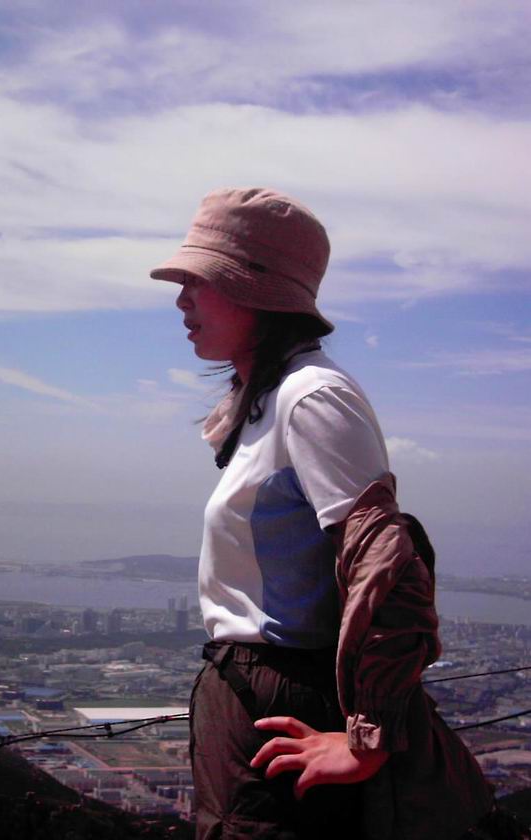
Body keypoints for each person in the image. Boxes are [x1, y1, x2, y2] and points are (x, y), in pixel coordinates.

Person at [150, 187, 493, 840]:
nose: (181, 300)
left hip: (281, 698)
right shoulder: (269, 400)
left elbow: (386, 562)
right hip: (255, 693)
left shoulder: (311, 396)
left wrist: (368, 740)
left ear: (256, 289)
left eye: (199, 280)